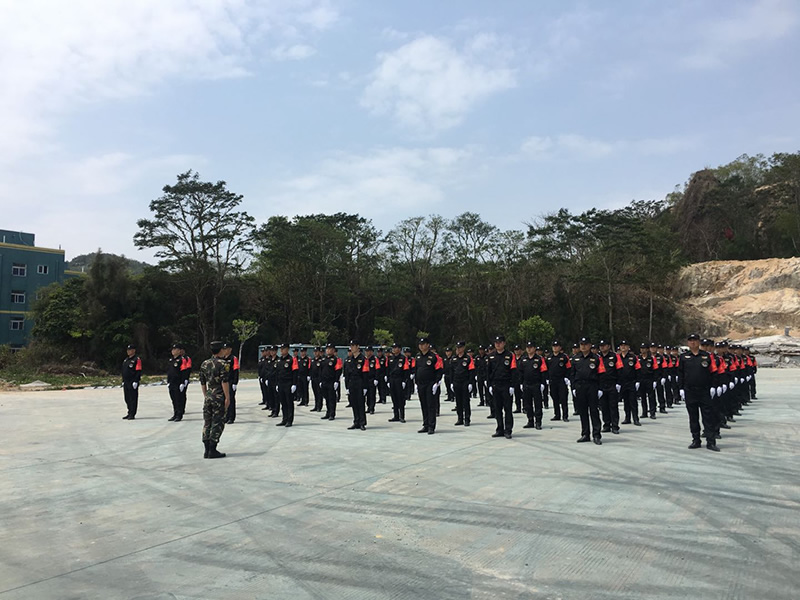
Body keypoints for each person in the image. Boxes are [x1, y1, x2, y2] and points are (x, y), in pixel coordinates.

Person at [678, 333, 719, 451]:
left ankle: (711, 442)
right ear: (688, 343)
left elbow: (714, 372)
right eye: (690, 340)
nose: (693, 342)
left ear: (699, 342)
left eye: (695, 340)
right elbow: (680, 374)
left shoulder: (707, 356)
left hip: (704, 391)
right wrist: (680, 389)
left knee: (708, 417)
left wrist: (714, 386)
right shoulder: (684, 357)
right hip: (690, 391)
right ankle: (696, 440)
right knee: (693, 417)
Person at [570, 337, 605, 444]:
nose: (583, 346)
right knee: (583, 411)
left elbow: (601, 374)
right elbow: (572, 375)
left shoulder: (596, 358)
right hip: (580, 387)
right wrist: (573, 388)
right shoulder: (575, 358)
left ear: (590, 345)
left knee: (594, 411)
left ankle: (596, 435)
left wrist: (600, 389)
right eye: (581, 344)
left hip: (592, 386)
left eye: (585, 344)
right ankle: (585, 434)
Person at [200, 341, 231, 459]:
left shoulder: (204, 363)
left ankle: (206, 450)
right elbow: (224, 382)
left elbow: (203, 382)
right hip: (218, 396)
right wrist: (227, 397)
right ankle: (212, 449)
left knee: (207, 422)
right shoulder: (223, 364)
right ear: (221, 350)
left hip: (209, 395)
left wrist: (206, 395)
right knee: (218, 422)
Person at [487, 334, 517, 439]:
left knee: (507, 409)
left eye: (500, 342)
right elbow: (488, 372)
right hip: (496, 385)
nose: (498, 344)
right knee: (497, 408)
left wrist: (512, 385)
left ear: (504, 343)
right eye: (496, 343)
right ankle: (500, 429)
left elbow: (513, 371)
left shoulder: (510, 355)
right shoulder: (491, 356)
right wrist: (489, 385)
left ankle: (508, 430)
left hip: (506, 385)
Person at [414, 337, 444, 434]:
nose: (421, 346)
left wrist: (437, 383)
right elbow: (416, 370)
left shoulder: (434, 357)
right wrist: (415, 382)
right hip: (421, 384)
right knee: (423, 404)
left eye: (423, 344)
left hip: (430, 383)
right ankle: (425, 425)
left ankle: (431, 426)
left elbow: (439, 370)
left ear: (428, 345)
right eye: (420, 344)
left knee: (431, 405)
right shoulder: (418, 357)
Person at [519, 341, 548, 429]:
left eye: (531, 347)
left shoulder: (539, 359)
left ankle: (538, 421)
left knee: (538, 404)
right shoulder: (523, 359)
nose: (529, 349)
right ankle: (530, 420)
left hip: (536, 384)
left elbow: (543, 372)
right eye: (527, 347)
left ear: (534, 348)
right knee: (528, 404)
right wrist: (521, 383)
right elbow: (520, 372)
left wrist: (543, 383)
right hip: (526, 384)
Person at [597, 339, 621, 434]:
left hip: (612, 384)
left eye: (604, 345)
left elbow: (620, 370)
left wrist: (618, 383)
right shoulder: (597, 357)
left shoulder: (615, 356)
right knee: (604, 406)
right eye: (601, 346)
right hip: (602, 385)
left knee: (613, 406)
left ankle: (615, 426)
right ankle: (606, 425)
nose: (602, 347)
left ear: (608, 346)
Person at [617, 340, 642, 426]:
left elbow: (638, 369)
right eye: (621, 345)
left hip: (631, 382)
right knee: (626, 401)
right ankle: (627, 418)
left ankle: (635, 419)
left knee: (633, 401)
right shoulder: (617, 357)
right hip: (622, 383)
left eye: (625, 345)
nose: (623, 347)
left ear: (628, 347)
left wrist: (638, 381)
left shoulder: (633, 357)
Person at [451, 341, 475, 426]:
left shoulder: (468, 358)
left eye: (460, 347)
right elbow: (451, 371)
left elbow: (471, 371)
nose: (458, 349)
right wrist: (451, 382)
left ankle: (467, 419)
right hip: (456, 382)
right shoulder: (454, 358)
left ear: (463, 348)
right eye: (457, 347)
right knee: (458, 401)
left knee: (465, 401)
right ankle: (460, 418)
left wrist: (471, 383)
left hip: (465, 382)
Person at [274, 343, 298, 427]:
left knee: (289, 402)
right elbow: (277, 373)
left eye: (283, 349)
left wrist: (294, 384)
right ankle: (284, 419)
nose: (281, 350)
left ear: (287, 349)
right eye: (281, 349)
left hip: (288, 383)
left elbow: (295, 372)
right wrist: (277, 384)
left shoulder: (292, 359)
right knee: (283, 402)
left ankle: (289, 420)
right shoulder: (279, 360)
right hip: (281, 383)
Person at [546, 341, 571, 422]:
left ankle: (565, 415)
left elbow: (569, 368)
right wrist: (547, 378)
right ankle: (557, 415)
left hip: (561, 380)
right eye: (554, 346)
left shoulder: (564, 357)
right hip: (552, 381)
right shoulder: (549, 357)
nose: (555, 347)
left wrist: (567, 378)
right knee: (555, 397)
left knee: (563, 398)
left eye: (557, 346)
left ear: (560, 347)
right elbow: (546, 369)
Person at [347, 341, 369, 430]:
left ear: (357, 346)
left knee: (360, 403)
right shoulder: (350, 359)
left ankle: (362, 422)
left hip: (360, 382)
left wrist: (365, 387)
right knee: (354, 403)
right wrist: (347, 386)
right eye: (351, 346)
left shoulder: (363, 359)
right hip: (352, 383)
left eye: (353, 346)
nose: (352, 348)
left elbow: (365, 374)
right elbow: (347, 374)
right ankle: (356, 421)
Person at [387, 342, 410, 423]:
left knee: (400, 398)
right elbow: (388, 370)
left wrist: (404, 381)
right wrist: (388, 380)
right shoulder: (390, 358)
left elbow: (406, 370)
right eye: (393, 348)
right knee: (394, 397)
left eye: (395, 347)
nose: (394, 349)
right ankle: (396, 415)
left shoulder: (403, 358)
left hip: (399, 379)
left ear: (399, 349)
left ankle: (402, 416)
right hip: (392, 379)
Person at [319, 343, 343, 420]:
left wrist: (336, 381)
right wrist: (321, 381)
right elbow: (321, 371)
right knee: (326, 398)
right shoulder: (323, 359)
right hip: (324, 381)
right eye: (327, 349)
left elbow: (338, 371)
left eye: (330, 349)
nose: (328, 350)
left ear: (333, 350)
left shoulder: (336, 359)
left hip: (331, 381)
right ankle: (328, 412)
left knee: (331, 398)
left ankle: (332, 414)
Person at [121, 343, 142, 420]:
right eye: (128, 350)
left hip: (132, 381)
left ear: (134, 350)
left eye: (130, 350)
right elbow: (124, 371)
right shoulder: (126, 360)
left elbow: (138, 371)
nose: (128, 351)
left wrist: (136, 381)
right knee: (127, 398)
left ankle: (132, 413)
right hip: (126, 381)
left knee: (133, 398)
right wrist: (123, 380)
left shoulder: (137, 360)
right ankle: (129, 412)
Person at [638, 343, 657, 420]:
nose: (643, 350)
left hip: (649, 379)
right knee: (643, 397)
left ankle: (652, 413)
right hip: (641, 379)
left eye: (644, 348)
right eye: (641, 348)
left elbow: (655, 370)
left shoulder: (651, 358)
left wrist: (655, 380)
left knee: (651, 397)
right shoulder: (638, 358)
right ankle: (644, 412)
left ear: (647, 349)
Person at [167, 343, 185, 422]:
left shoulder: (182, 360)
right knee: (173, 399)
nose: (173, 351)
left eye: (175, 349)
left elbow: (184, 371)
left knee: (178, 399)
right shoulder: (171, 360)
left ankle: (179, 415)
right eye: (173, 349)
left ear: (179, 351)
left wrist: (183, 382)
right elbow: (169, 372)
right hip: (172, 382)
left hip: (178, 382)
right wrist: (168, 381)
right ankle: (175, 413)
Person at [224, 346, 239, 424]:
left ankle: (231, 417)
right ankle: (226, 416)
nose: (225, 350)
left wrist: (235, 382)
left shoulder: (233, 358)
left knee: (231, 399)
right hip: (224, 382)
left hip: (230, 381)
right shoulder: (222, 358)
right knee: (224, 399)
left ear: (230, 349)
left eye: (226, 349)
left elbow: (236, 371)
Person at [365, 346, 380, 414]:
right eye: (366, 351)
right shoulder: (364, 359)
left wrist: (376, 379)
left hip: (372, 379)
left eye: (369, 351)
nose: (367, 352)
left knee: (372, 394)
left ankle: (372, 408)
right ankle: (368, 407)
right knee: (366, 395)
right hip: (366, 379)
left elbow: (377, 369)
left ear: (372, 352)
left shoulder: (375, 359)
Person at [310, 346, 324, 412]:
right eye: (314, 352)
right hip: (313, 378)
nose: (315, 353)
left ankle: (319, 406)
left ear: (319, 352)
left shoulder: (322, 360)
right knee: (315, 393)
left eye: (317, 351)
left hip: (319, 379)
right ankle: (316, 406)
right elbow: (311, 369)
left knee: (319, 393)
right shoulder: (312, 360)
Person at [180, 344, 192, 415]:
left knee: (182, 394)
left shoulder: (187, 358)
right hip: (177, 380)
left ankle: (182, 408)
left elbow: (188, 369)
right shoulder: (176, 359)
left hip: (184, 379)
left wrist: (186, 379)